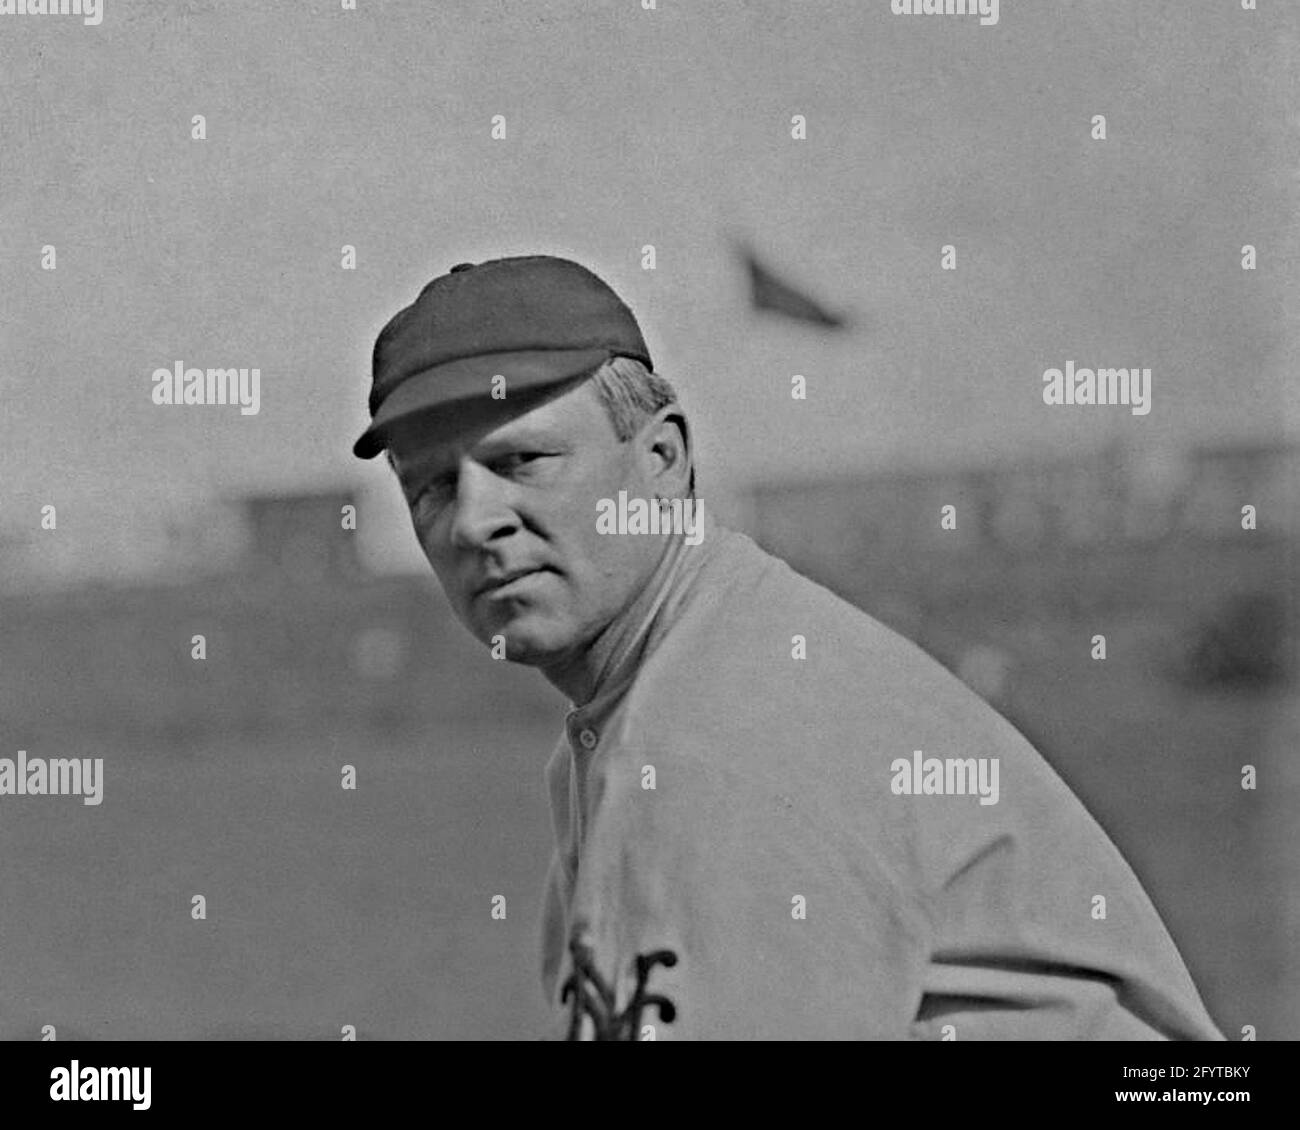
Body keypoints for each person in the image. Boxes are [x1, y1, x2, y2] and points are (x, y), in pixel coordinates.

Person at [353, 254, 1224, 1041]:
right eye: (430, 487)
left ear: (661, 458)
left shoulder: (722, 733)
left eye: (522, 461)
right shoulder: (696, 674)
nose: (472, 521)